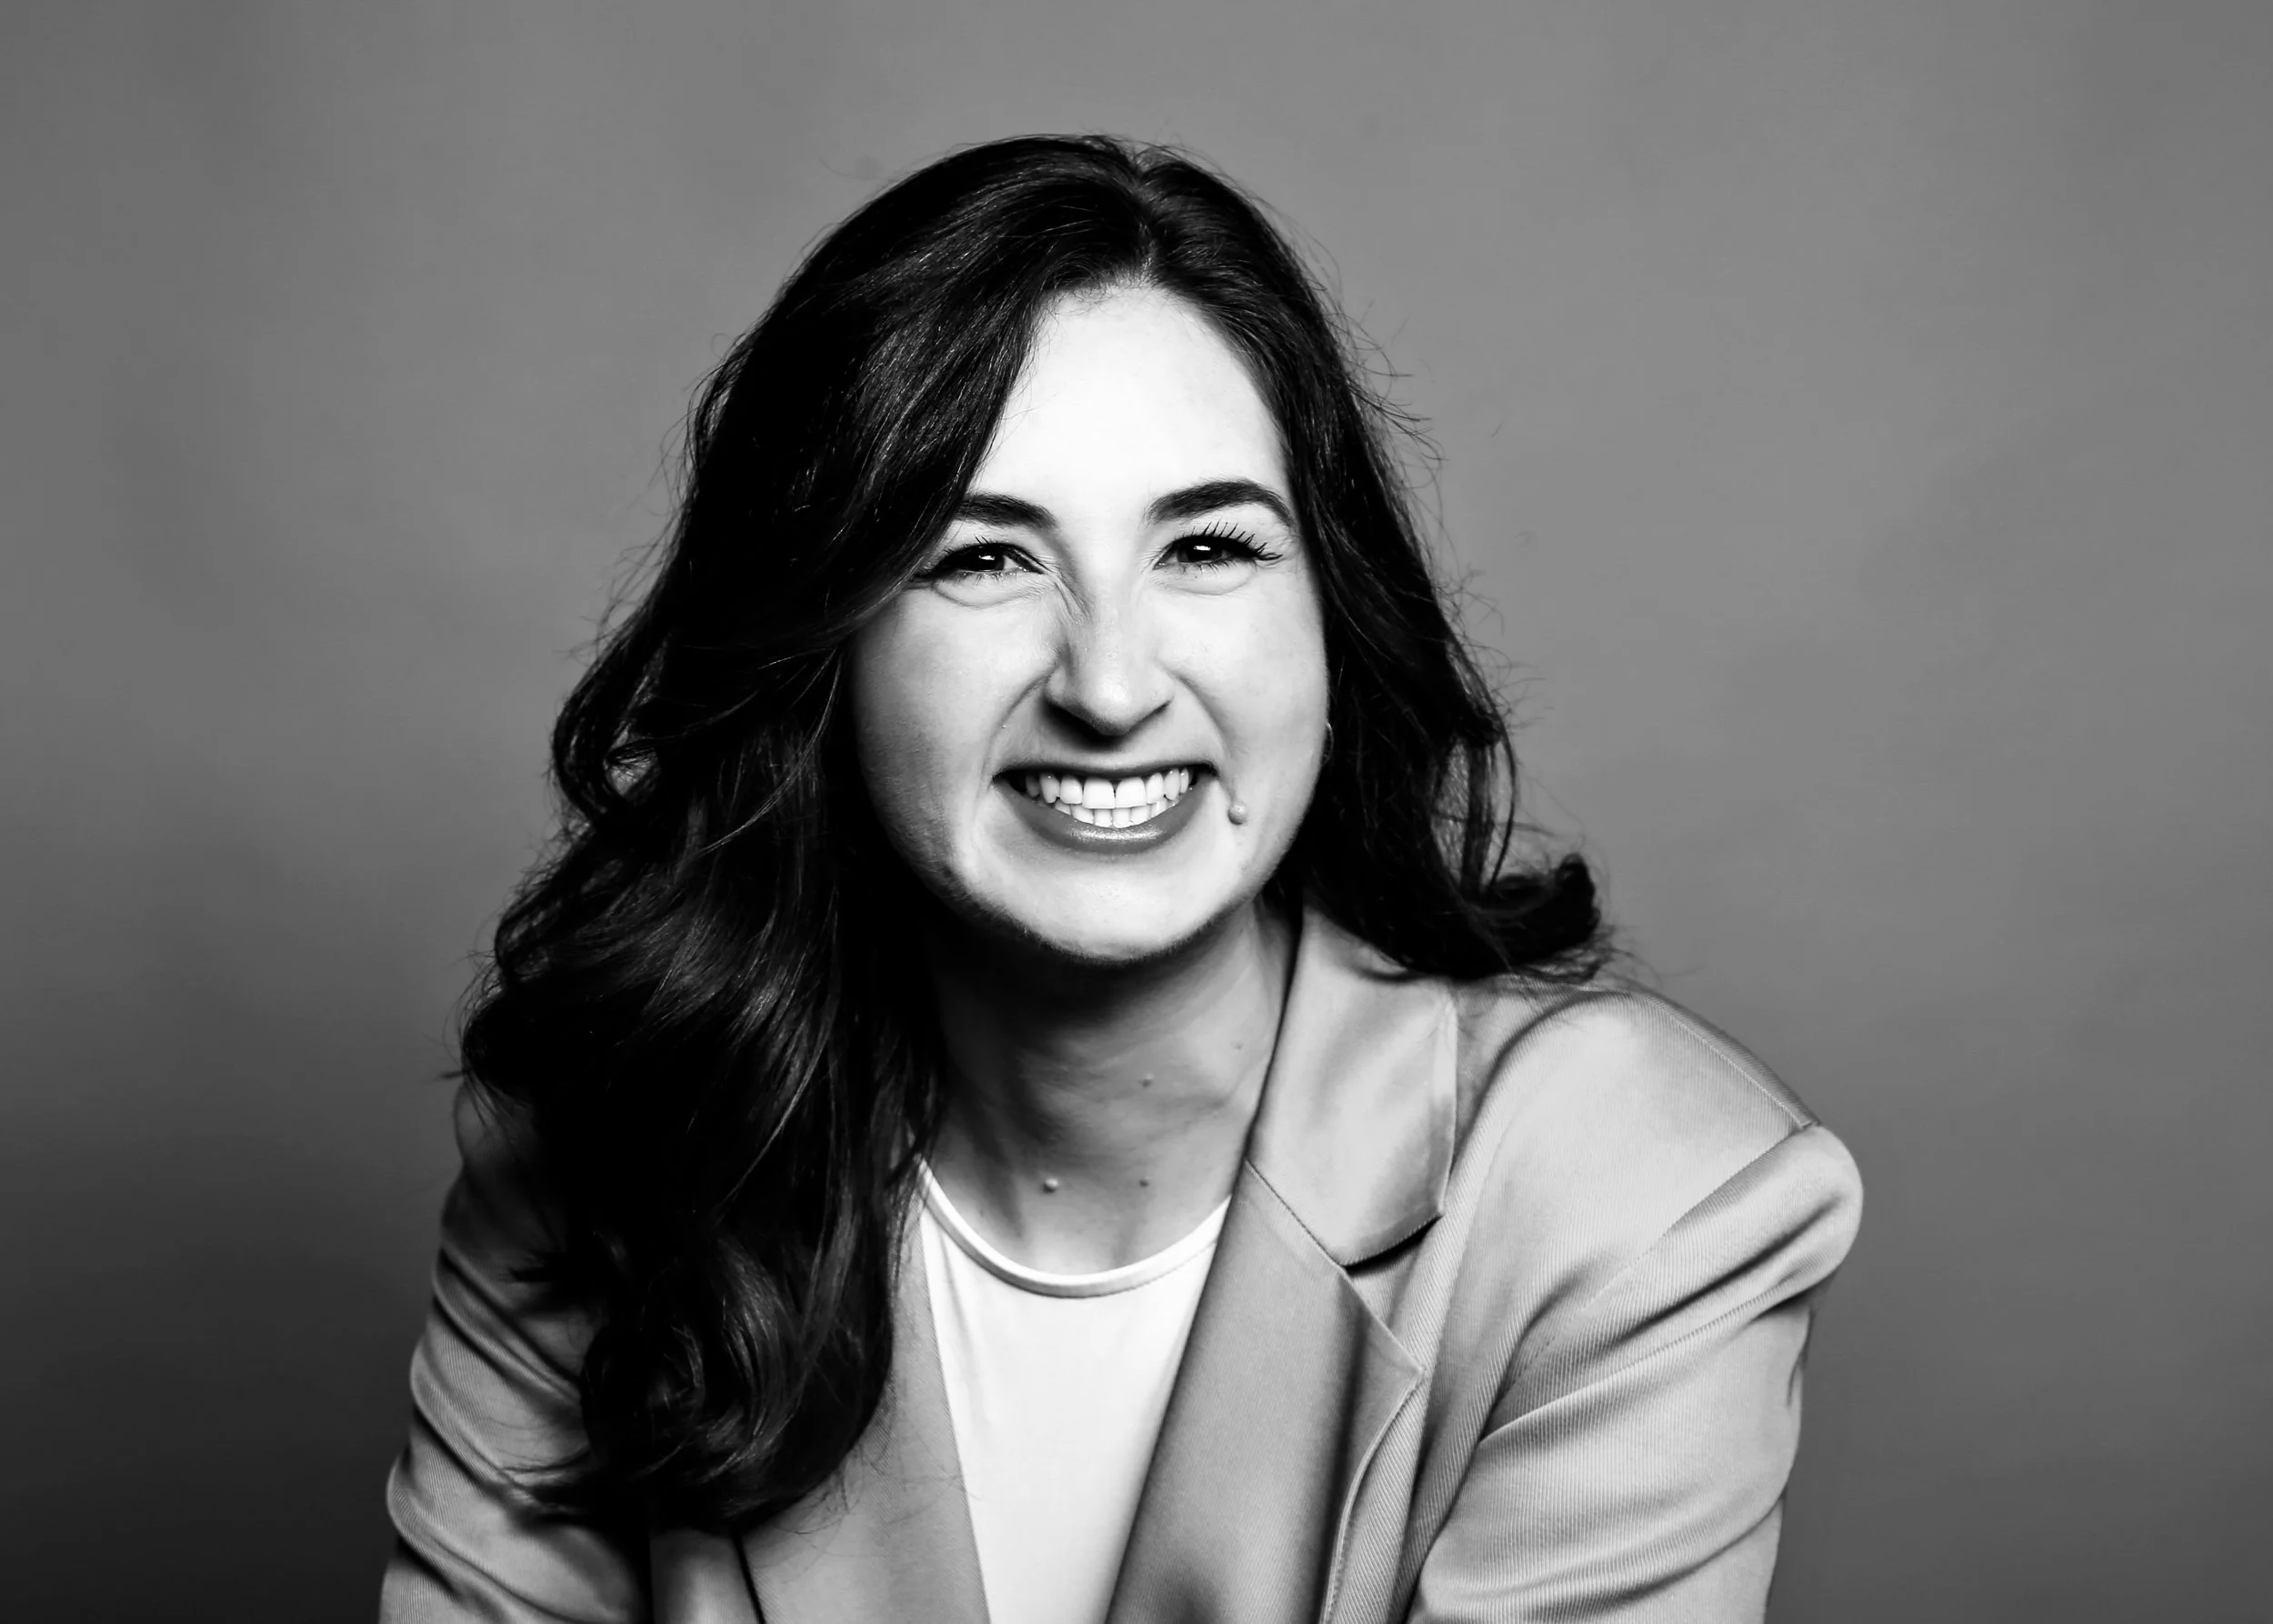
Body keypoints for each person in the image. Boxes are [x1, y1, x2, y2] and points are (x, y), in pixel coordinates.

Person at [380, 135, 1861, 1624]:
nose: (1108, 681)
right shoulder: (614, 1139)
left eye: (1208, 546)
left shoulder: (1637, 1199)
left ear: (1331, 620)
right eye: (982, 561)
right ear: (819, 648)